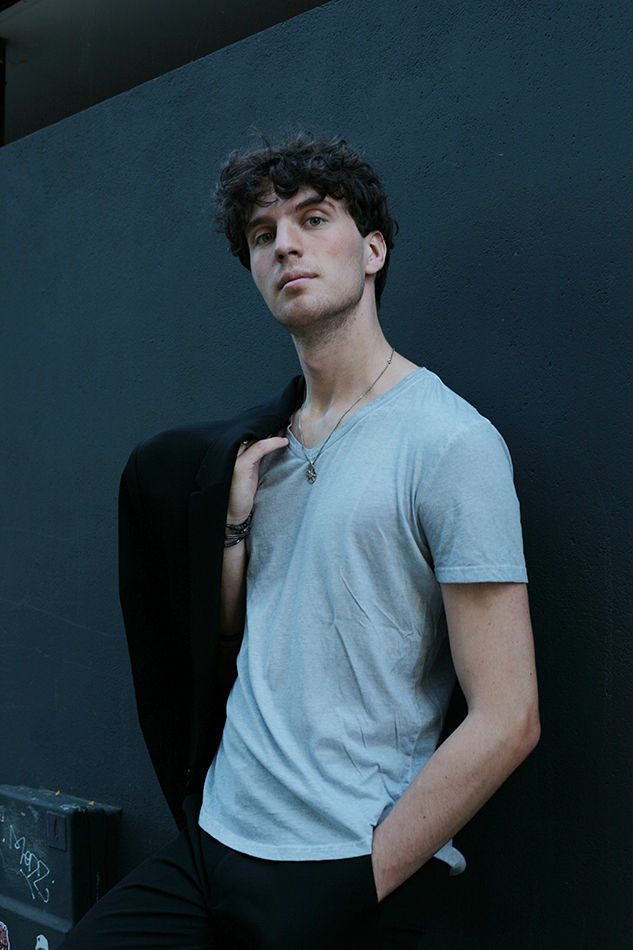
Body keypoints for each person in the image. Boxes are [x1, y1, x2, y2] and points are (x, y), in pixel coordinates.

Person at [62, 132, 539, 949]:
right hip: (215, 838)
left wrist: (364, 878)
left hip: (338, 862)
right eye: (261, 234)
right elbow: (232, 640)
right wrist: (233, 528)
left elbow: (509, 715)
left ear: (373, 250)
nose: (284, 244)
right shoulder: (255, 453)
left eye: (313, 219)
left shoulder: (450, 443)